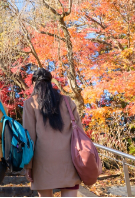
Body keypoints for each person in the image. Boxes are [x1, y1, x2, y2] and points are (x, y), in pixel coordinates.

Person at [23, 68, 84, 197]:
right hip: (69, 160)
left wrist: (28, 165)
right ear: (50, 82)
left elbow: (29, 137)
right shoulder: (67, 101)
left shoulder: (30, 103)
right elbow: (79, 131)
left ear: (34, 83)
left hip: (42, 161)